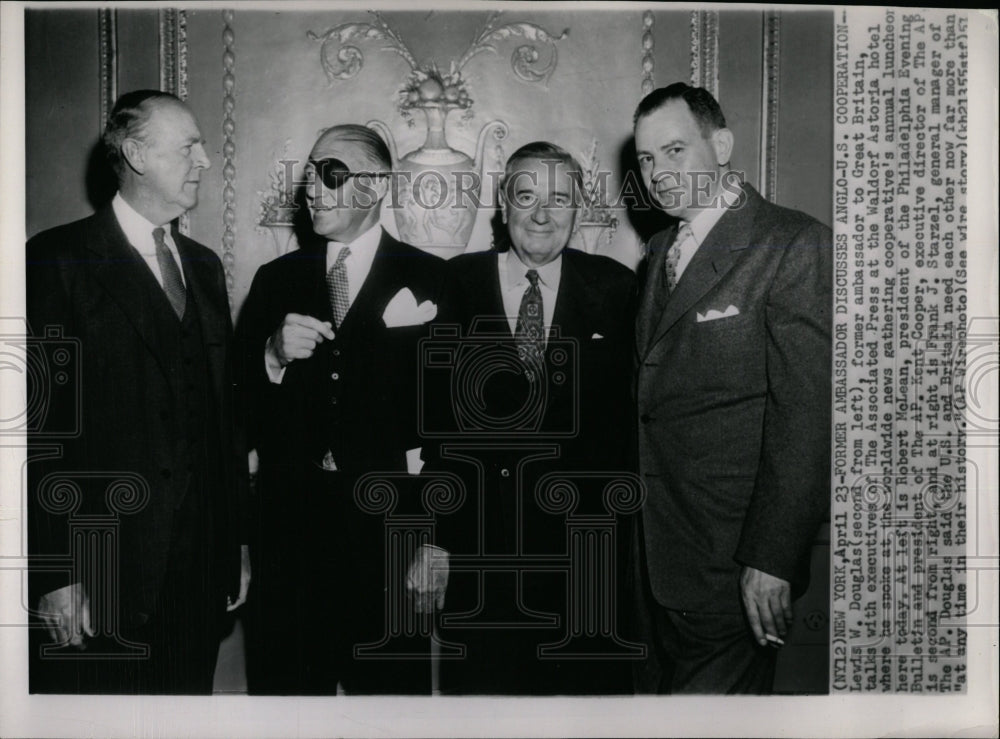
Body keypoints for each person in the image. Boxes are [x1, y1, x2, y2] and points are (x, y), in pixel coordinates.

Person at [26, 90, 250, 694]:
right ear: (136, 155)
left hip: (199, 576)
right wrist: (55, 572)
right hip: (103, 575)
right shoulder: (55, 261)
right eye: (189, 147)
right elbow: (37, 435)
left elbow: (223, 421)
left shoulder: (203, 266)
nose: (205, 159)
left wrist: (236, 545)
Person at [630, 82, 832, 694]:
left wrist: (771, 558)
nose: (658, 174)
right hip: (659, 562)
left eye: (673, 151)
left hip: (735, 568)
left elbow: (807, 415)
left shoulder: (792, 244)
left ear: (720, 144)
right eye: (645, 160)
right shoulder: (660, 251)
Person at [237, 124, 445, 694]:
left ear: (376, 186)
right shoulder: (276, 280)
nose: (313, 189)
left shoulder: (434, 279)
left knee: (388, 711)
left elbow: (452, 426)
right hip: (288, 538)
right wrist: (272, 357)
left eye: (332, 174)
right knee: (285, 707)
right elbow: (235, 411)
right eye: (309, 176)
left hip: (390, 541)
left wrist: (433, 539)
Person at [424, 141, 638, 694]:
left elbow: (631, 432)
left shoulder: (617, 289)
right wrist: (434, 540)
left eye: (560, 198)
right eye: (526, 195)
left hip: (587, 559)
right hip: (480, 557)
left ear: (579, 207)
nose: (543, 213)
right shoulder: (457, 283)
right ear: (503, 203)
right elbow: (436, 429)